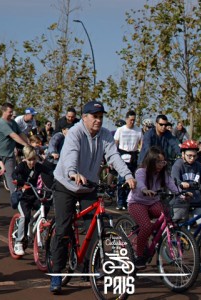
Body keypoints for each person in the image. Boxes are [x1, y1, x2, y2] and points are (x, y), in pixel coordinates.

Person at [49, 100, 136, 294]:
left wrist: (128, 175)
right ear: (85, 117)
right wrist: (72, 172)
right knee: (63, 229)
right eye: (95, 117)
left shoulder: (105, 134)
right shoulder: (75, 132)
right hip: (66, 183)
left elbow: (113, 156)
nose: (98, 120)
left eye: (101, 117)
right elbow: (71, 154)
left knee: (95, 228)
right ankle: (56, 272)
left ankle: (88, 267)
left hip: (88, 185)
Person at [127, 146, 180, 269]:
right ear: (150, 161)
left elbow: (172, 185)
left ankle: (156, 235)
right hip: (137, 202)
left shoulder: (163, 174)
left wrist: (182, 193)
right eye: (158, 161)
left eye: (163, 162)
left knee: (166, 213)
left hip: (152, 202)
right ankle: (139, 256)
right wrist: (145, 190)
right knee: (146, 226)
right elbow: (140, 183)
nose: (161, 165)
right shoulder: (141, 171)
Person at [11, 145, 54, 256]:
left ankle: (36, 226)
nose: (32, 162)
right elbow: (14, 174)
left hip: (35, 195)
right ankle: (18, 242)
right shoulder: (22, 166)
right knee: (25, 216)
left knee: (45, 206)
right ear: (25, 158)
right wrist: (19, 180)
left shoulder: (38, 167)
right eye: (29, 160)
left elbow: (50, 172)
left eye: (34, 159)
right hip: (23, 197)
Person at [0, 103, 29, 197]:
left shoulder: (13, 123)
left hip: (9, 155)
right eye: (9, 112)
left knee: (11, 177)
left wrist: (29, 143)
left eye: (12, 112)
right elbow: (13, 135)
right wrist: (25, 145)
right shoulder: (1, 123)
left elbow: (21, 134)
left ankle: (15, 198)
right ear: (4, 111)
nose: (11, 113)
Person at [114, 110, 142, 210]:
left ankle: (128, 201)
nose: (132, 122)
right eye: (130, 120)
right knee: (122, 180)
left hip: (133, 157)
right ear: (126, 119)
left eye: (134, 120)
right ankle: (120, 202)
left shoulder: (138, 130)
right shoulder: (120, 130)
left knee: (132, 181)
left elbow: (141, 144)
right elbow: (115, 143)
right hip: (122, 157)